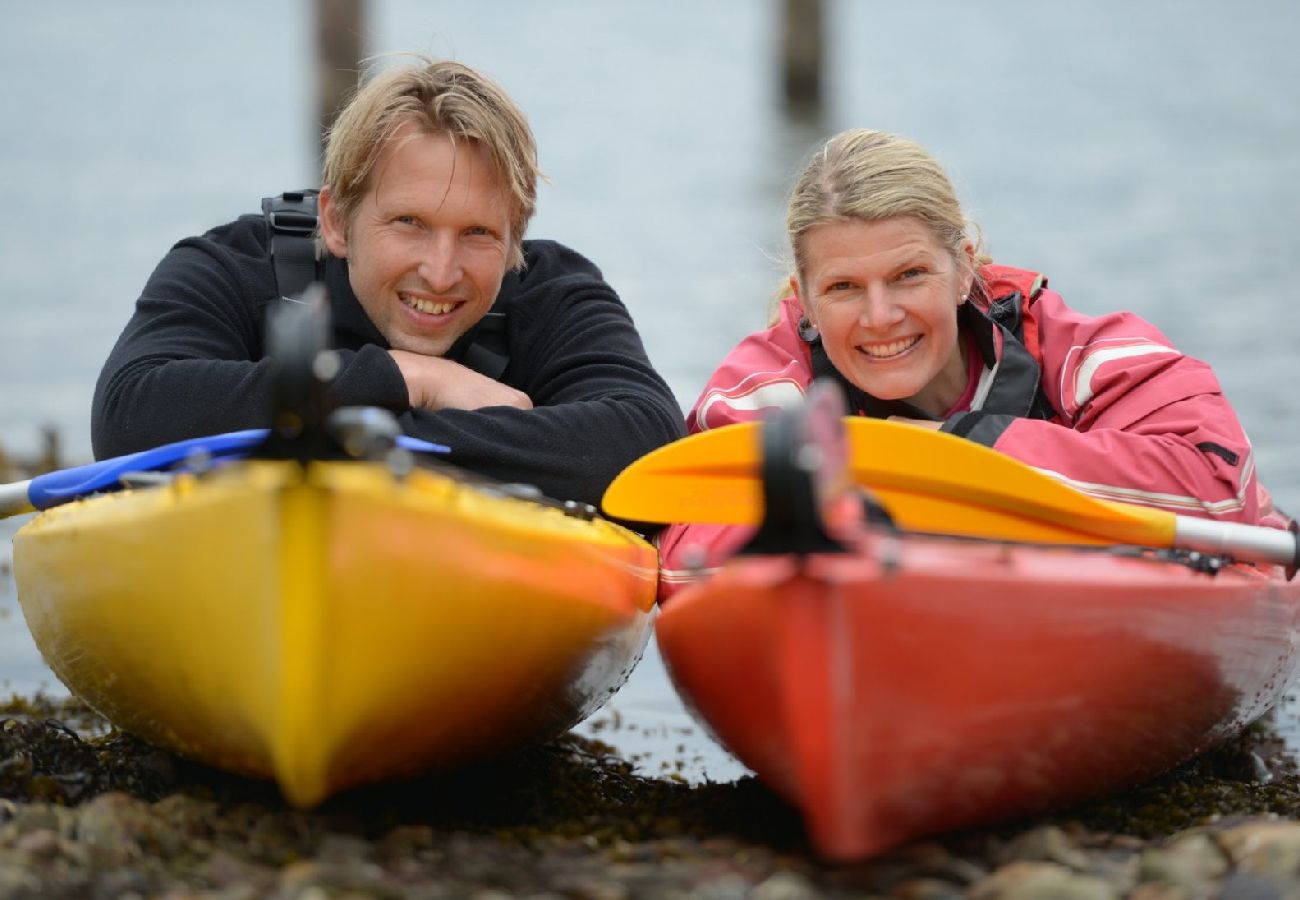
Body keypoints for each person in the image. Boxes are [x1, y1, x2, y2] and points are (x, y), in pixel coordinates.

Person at [658, 128, 1291, 597]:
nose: (879, 317)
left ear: (964, 267)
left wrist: (951, 450)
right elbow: (687, 557)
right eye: (844, 288)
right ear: (805, 296)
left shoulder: (1084, 354)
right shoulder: (764, 389)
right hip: (877, 605)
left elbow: (1218, 488)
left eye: (909, 275)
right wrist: (891, 508)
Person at [91, 57, 685, 513]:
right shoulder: (233, 266)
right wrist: (412, 379)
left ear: (514, 241)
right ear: (335, 220)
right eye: (409, 224)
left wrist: (350, 434)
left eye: (478, 233)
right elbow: (128, 415)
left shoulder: (555, 293)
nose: (442, 271)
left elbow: (645, 443)